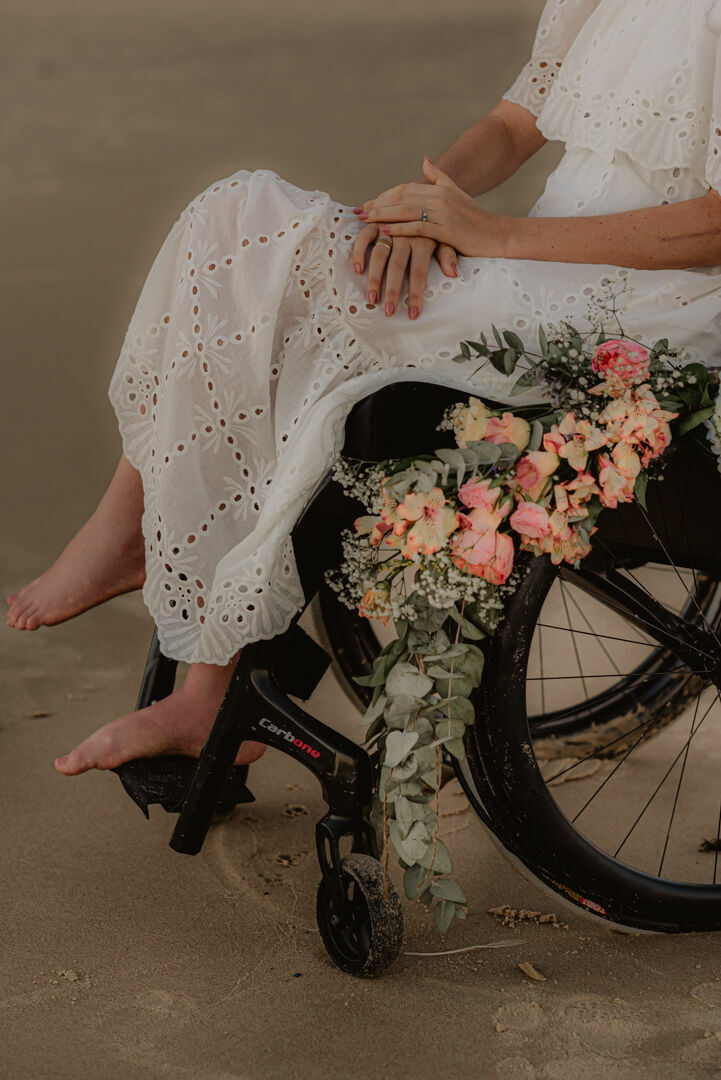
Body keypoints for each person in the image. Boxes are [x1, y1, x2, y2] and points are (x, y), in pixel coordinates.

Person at [7, 0, 721, 778]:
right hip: (540, 274)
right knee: (235, 234)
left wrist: (495, 234)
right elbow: (515, 124)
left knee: (250, 232)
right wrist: (418, 212)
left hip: (645, 311)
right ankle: (190, 643)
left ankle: (153, 570)